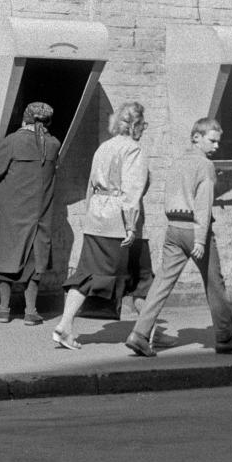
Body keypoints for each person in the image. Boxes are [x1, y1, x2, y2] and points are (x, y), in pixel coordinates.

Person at [124, 117, 232, 357]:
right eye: (212, 141)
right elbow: (203, 205)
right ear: (197, 137)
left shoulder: (177, 162)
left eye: (218, 142)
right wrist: (201, 240)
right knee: (214, 282)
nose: (216, 146)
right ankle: (225, 337)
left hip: (173, 227)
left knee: (163, 281)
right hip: (195, 229)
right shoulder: (205, 166)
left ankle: (139, 334)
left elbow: (168, 196)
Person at [52, 102, 150, 350]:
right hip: (119, 221)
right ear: (135, 125)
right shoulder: (133, 150)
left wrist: (91, 217)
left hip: (97, 217)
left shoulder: (103, 147)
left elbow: (90, 187)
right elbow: (131, 191)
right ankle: (65, 326)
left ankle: (149, 329)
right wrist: (131, 226)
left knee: (110, 273)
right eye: (142, 125)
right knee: (129, 277)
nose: (143, 130)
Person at [0, 102, 60, 326]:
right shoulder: (53, 144)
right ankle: (31, 311)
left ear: (25, 118)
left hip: (10, 211)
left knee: (6, 257)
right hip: (39, 214)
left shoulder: (12, 141)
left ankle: (3, 309)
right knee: (34, 262)